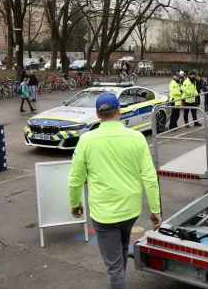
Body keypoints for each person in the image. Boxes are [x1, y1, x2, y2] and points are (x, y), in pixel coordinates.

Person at [68, 93, 162, 289]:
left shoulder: (86, 140)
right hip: (130, 211)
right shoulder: (137, 138)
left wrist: (75, 204)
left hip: (104, 213)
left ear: (97, 114)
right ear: (119, 111)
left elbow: (75, 179)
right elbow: (150, 177)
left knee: (114, 267)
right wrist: (155, 210)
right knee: (121, 251)